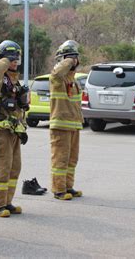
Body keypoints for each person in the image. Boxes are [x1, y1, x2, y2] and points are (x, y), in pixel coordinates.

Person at [0, 40, 28, 217]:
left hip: (14, 130)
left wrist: (23, 127)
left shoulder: (14, 80)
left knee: (14, 168)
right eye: (11, 58)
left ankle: (7, 202)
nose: (15, 61)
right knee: (1, 168)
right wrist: (3, 60)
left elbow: (19, 109)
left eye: (17, 57)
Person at [49, 40, 84, 200]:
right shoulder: (58, 79)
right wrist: (69, 59)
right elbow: (56, 73)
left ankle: (68, 186)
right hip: (60, 126)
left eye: (75, 58)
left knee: (72, 159)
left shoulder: (73, 80)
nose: (74, 61)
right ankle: (59, 189)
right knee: (60, 159)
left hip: (74, 125)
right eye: (70, 58)